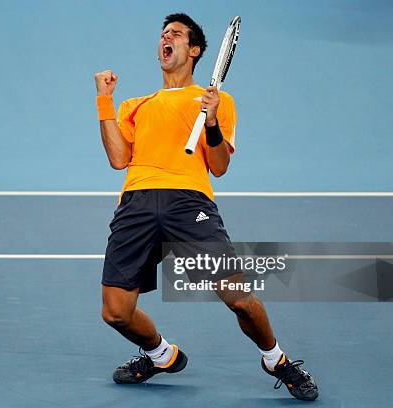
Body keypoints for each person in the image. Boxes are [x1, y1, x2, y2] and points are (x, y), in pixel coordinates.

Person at [93, 13, 318, 401]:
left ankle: (276, 360)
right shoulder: (135, 104)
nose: (166, 38)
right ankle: (161, 354)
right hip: (137, 203)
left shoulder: (217, 101)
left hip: (189, 203)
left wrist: (210, 121)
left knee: (240, 301)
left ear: (194, 50)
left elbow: (219, 166)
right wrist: (105, 99)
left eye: (176, 34)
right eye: (163, 34)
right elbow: (118, 158)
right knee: (115, 311)